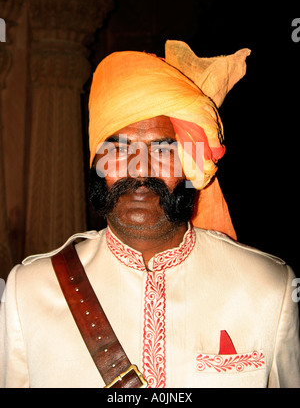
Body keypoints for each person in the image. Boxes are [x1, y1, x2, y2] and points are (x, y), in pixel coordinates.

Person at [0, 41, 299, 388]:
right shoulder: (29, 291)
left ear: (189, 161)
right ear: (96, 162)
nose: (139, 170)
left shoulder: (268, 288)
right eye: (118, 149)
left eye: (161, 149)